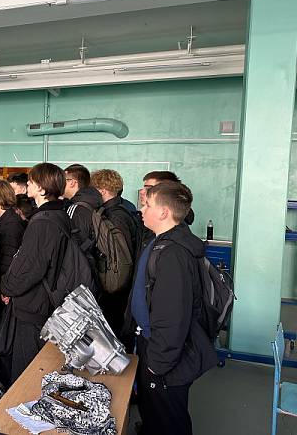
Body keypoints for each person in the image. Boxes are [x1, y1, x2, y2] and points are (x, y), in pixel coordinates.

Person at [128, 181, 217, 435]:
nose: (142, 210)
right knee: (154, 415)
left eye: (147, 205)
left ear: (164, 212)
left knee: (168, 420)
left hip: (165, 357)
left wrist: (157, 363)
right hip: (154, 345)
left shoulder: (173, 254)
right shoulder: (162, 242)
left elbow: (172, 316)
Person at [1, 163, 70, 383]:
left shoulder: (42, 222)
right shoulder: (59, 215)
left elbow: (29, 267)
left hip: (34, 304)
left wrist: (7, 288)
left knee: (27, 369)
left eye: (31, 182)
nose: (27, 185)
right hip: (47, 300)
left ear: (41, 188)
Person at [0, 180, 27, 403]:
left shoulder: (10, 225)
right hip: (6, 289)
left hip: (7, 292)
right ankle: (6, 387)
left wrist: (4, 289)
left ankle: (8, 392)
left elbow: (8, 262)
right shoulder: (9, 221)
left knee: (6, 343)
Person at [90, 169, 137, 338]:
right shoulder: (124, 209)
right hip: (122, 286)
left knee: (115, 333)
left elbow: (120, 256)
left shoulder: (114, 216)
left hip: (117, 287)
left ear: (102, 191)